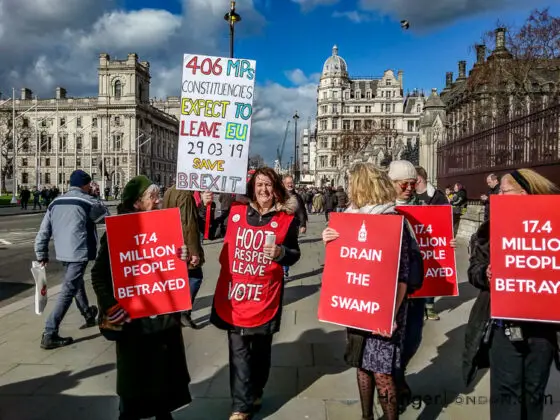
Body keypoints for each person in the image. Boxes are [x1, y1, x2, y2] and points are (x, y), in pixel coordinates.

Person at [91, 175, 191, 420]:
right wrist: (111, 306)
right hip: (135, 325)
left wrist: (181, 256)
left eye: (157, 196)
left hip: (163, 323)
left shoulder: (165, 228)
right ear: (136, 203)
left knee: (164, 389)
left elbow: (169, 267)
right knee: (134, 394)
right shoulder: (118, 233)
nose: (158, 202)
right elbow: (98, 276)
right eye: (153, 197)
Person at [464, 168, 560, 420]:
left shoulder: (554, 226)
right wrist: (486, 272)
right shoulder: (489, 230)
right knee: (506, 393)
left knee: (533, 392)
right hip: (503, 324)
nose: (498, 196)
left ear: (526, 193)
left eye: (504, 191)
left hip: (543, 330)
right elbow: (473, 271)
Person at [322, 162, 412, 420]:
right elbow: (343, 264)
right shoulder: (348, 218)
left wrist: (390, 316)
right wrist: (329, 240)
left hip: (384, 311)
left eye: (352, 184)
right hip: (357, 306)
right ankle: (366, 416)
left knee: (382, 372)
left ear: (362, 186)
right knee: (361, 363)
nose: (348, 189)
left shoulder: (391, 220)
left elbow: (403, 276)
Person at [210, 167, 301, 420]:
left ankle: (256, 390)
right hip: (235, 297)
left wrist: (281, 253)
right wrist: (205, 206)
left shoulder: (286, 220)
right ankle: (240, 407)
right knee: (238, 353)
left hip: (265, 298)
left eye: (269, 185)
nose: (264, 190)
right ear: (252, 188)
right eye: (259, 185)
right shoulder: (237, 213)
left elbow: (294, 253)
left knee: (260, 353)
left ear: (277, 189)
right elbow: (209, 230)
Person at [35, 170, 108, 349]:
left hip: (62, 252)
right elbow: (104, 217)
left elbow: (43, 231)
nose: (91, 187)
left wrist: (41, 253)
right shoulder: (87, 201)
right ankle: (50, 332)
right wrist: (97, 197)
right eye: (89, 184)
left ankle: (87, 314)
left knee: (76, 283)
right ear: (85, 185)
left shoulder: (55, 202)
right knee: (68, 290)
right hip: (79, 251)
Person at [163, 185, 205, 329]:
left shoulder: (170, 191)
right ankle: (183, 312)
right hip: (185, 245)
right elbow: (188, 224)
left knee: (180, 279)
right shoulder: (185, 195)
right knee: (195, 277)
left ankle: (177, 311)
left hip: (173, 241)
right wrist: (194, 251)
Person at [414, 166, 449, 321]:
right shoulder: (410, 196)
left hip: (432, 242)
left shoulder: (437, 196)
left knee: (430, 273)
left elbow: (446, 219)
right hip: (415, 242)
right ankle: (418, 307)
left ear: (419, 179)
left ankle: (429, 306)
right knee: (417, 274)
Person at [282, 175, 307, 281]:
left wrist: (303, 224)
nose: (290, 184)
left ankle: (285, 271)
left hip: (292, 226)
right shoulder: (279, 195)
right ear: (283, 183)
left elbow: (301, 211)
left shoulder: (297, 197)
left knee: (287, 248)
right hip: (279, 225)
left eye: (291, 182)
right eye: (288, 182)